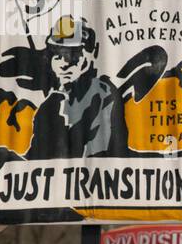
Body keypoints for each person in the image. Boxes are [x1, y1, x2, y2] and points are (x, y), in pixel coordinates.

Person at [31, 15, 129, 159]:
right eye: (57, 55)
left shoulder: (104, 96)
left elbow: (100, 159)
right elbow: (35, 159)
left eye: (73, 55)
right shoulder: (48, 106)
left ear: (92, 54)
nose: (64, 64)